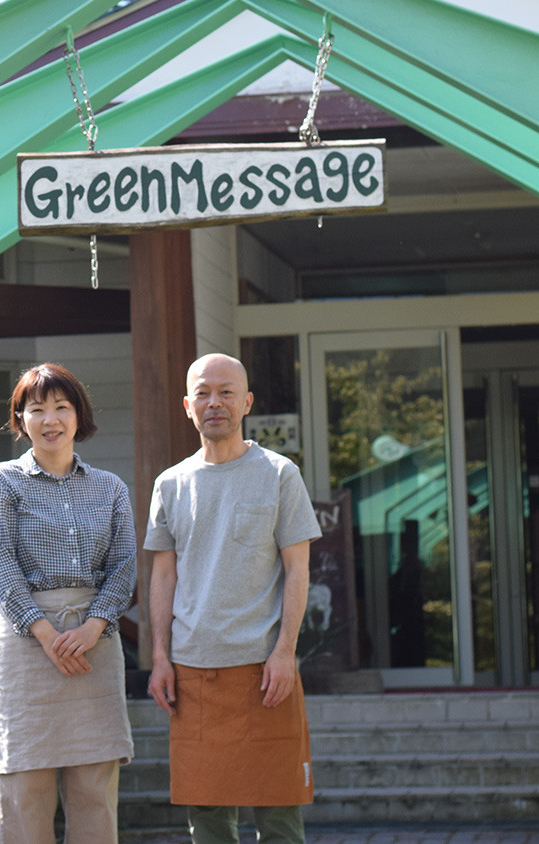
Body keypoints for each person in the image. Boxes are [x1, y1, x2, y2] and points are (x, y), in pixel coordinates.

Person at [145, 353, 321, 844]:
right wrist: (160, 657)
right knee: (208, 824)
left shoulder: (280, 473)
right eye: (203, 392)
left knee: (280, 820)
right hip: (193, 673)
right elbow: (163, 576)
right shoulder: (171, 483)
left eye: (226, 392)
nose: (214, 402)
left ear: (246, 402)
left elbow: (298, 568)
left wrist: (285, 651)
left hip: (266, 672)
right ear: (187, 405)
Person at [0, 363, 137, 844]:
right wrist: (46, 634)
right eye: (36, 408)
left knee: (93, 787)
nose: (50, 419)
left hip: (95, 644)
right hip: (25, 647)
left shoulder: (109, 488)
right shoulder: (1, 482)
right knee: (26, 789)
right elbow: (0, 566)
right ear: (20, 419)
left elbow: (124, 567)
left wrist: (92, 628)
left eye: (61, 407)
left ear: (78, 415)